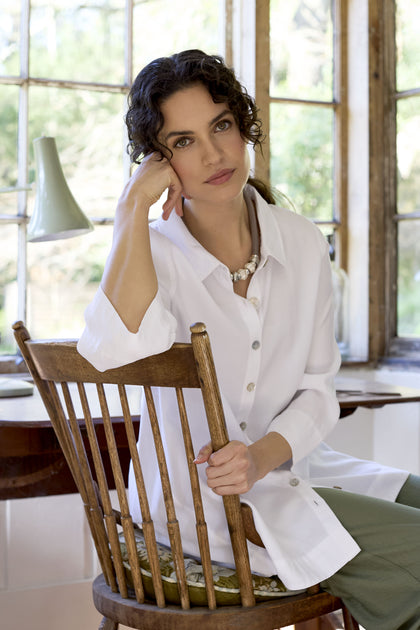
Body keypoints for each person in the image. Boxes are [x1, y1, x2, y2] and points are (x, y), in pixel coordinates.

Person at [78, 50, 420, 629]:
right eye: (183, 142)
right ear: (158, 161)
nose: (213, 155)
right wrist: (131, 206)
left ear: (242, 126)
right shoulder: (152, 252)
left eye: (221, 126)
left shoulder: (302, 241)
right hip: (201, 507)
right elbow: (112, 352)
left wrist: (262, 456)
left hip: (294, 471)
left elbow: (318, 391)